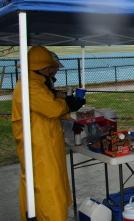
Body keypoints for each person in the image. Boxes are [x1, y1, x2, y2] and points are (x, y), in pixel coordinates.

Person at [12, 46, 85, 220]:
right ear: (41, 67)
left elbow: (46, 110)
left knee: (48, 186)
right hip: (39, 148)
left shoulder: (36, 83)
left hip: (44, 144)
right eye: (49, 67)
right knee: (48, 190)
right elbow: (52, 109)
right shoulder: (31, 86)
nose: (51, 70)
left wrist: (65, 109)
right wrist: (69, 104)